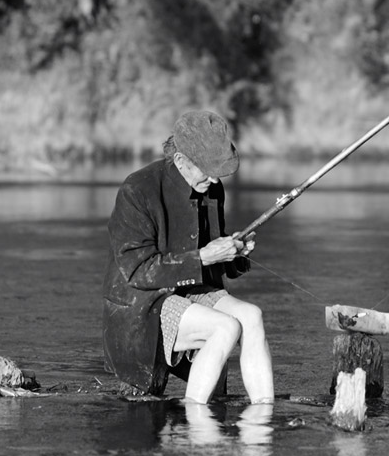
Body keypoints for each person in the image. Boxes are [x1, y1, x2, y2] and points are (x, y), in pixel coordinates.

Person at [102, 110, 274, 404]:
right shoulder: (136, 190)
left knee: (251, 316)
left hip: (192, 291)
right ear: (180, 160)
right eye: (206, 169)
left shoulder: (211, 188)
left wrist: (233, 253)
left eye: (218, 169)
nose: (214, 178)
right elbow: (138, 271)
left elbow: (211, 259)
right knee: (225, 327)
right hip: (142, 303)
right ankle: (198, 420)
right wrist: (205, 256)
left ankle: (263, 417)